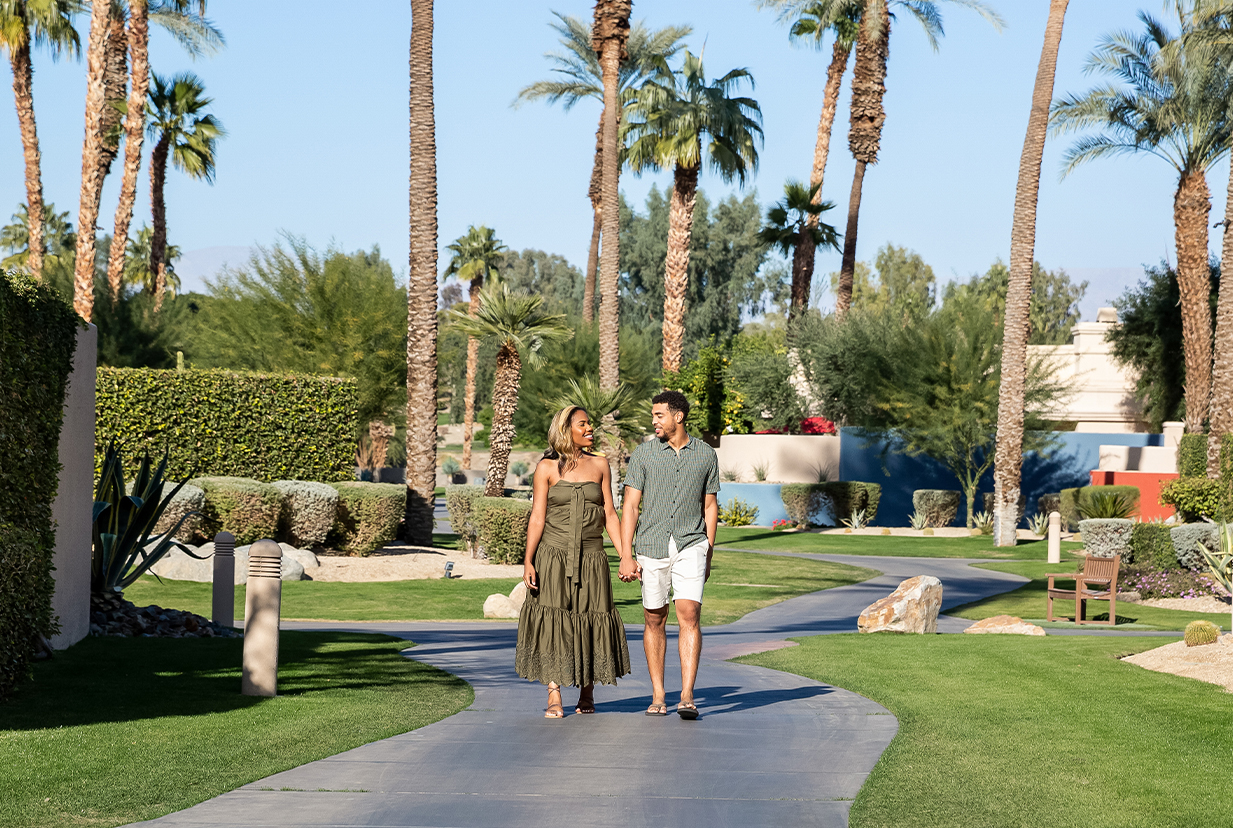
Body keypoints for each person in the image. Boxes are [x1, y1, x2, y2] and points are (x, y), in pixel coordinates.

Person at [515, 406, 632, 718]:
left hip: (593, 557)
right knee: (554, 622)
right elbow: (537, 517)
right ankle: (554, 692)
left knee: (592, 617)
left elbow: (609, 513)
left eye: (589, 423)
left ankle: (587, 690)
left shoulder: (600, 465)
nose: (590, 428)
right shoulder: (547, 468)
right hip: (552, 556)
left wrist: (625, 556)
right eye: (584, 424)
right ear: (566, 430)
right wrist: (528, 560)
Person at [619, 390, 719, 720]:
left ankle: (687, 695)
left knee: (689, 613)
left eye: (659, 415)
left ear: (678, 416)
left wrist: (709, 553)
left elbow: (709, 506)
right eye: (653, 415)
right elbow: (630, 506)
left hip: (692, 543)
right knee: (654, 618)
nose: (654, 421)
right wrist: (625, 555)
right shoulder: (644, 454)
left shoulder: (706, 454)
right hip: (651, 546)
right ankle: (659, 693)